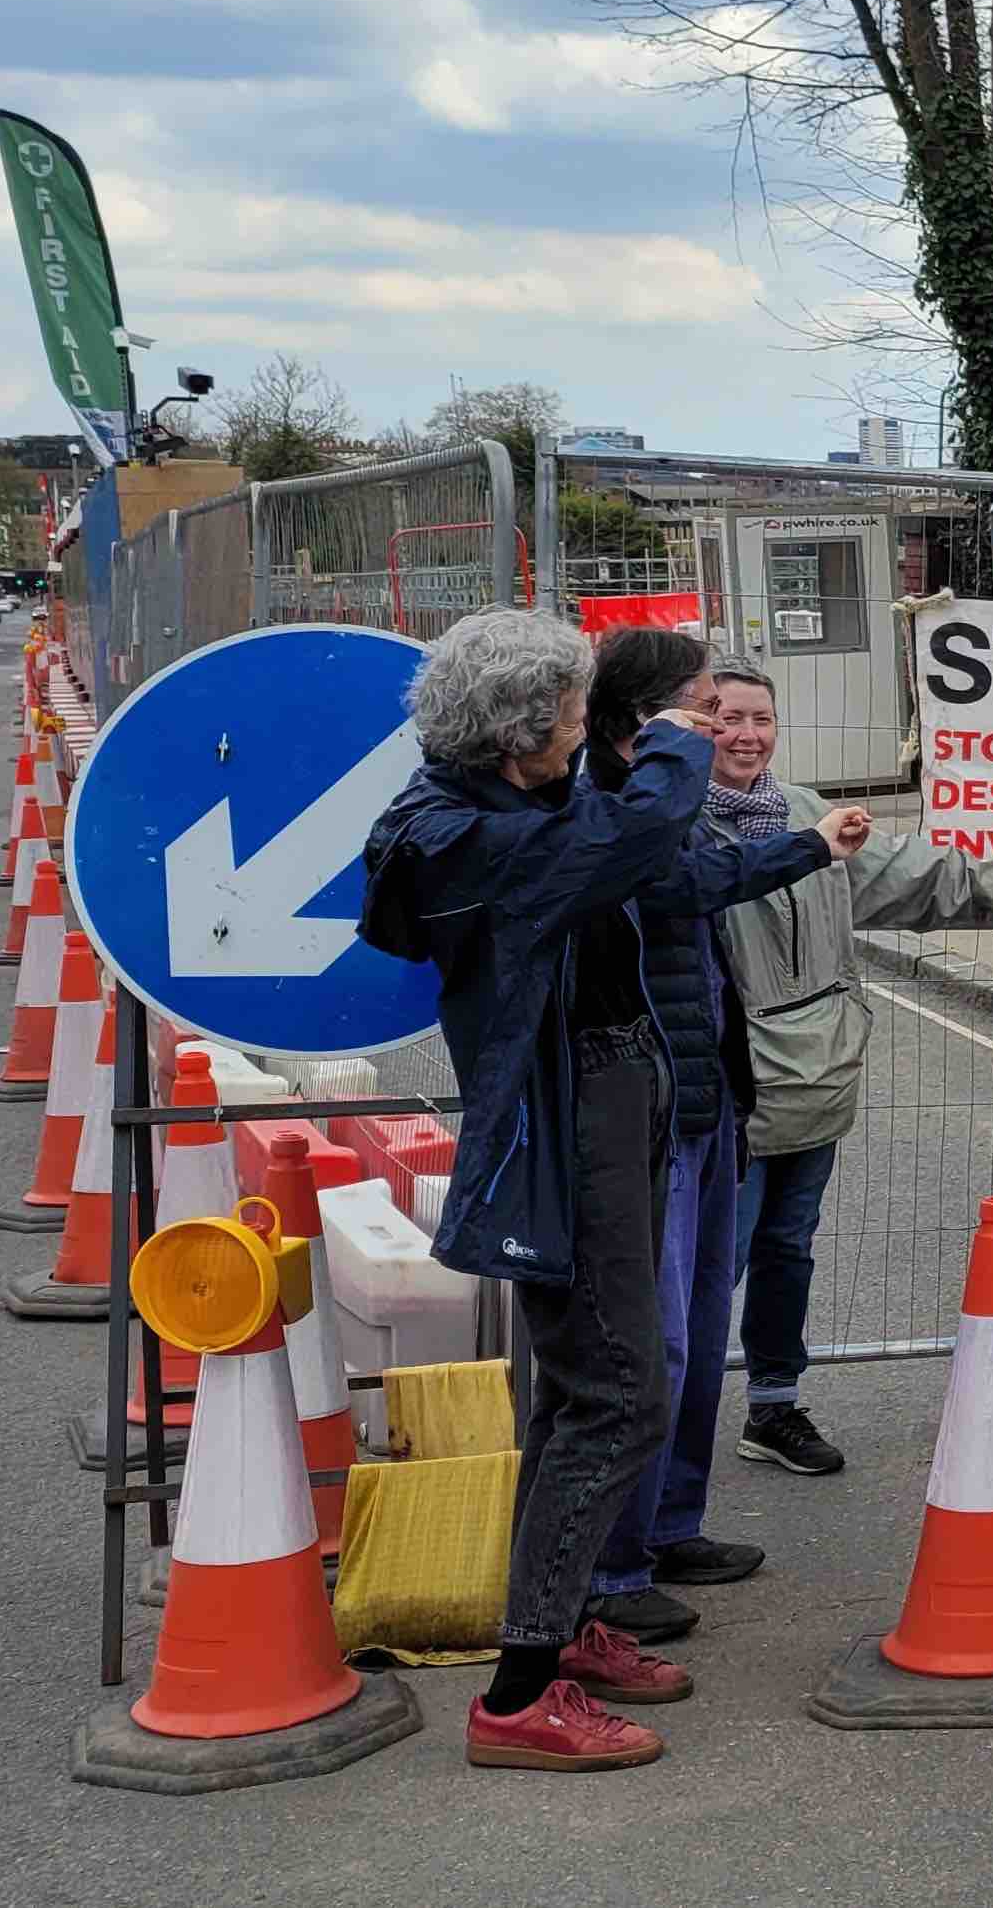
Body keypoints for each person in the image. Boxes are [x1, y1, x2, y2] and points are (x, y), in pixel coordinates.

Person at [360, 611, 857, 1772]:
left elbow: (668, 876)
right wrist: (676, 743)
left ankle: (561, 1620)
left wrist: (802, 846)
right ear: (524, 729)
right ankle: (517, 1693)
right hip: (565, 1127)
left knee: (586, 1391)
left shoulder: (524, 807)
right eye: (579, 717)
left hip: (615, 1102)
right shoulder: (456, 833)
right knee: (622, 1390)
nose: (591, 735)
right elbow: (636, 846)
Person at [699, 658, 993, 1479]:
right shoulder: (674, 829)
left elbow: (900, 872)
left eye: (761, 719)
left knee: (787, 1249)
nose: (747, 735)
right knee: (706, 1268)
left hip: (818, 1076)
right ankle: (673, 1438)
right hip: (727, 1091)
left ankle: (772, 1405)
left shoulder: (806, 814)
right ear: (695, 723)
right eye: (727, 717)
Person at [569, 629, 871, 1646]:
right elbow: (675, 884)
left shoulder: (669, 799)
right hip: (637, 1116)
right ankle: (608, 1567)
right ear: (648, 718)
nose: (722, 725)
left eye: (739, 711)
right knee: (646, 1343)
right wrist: (806, 847)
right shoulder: (613, 801)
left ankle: (669, 1524)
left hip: (706, 1102)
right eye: (704, 707)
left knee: (696, 1336)